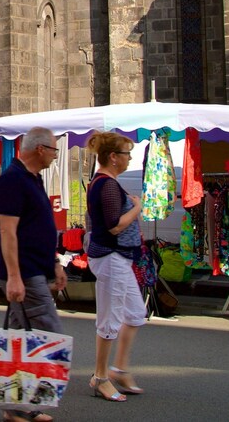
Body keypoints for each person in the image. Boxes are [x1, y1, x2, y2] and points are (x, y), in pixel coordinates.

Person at [0, 126, 66, 422]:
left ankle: (18, 406)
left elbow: (39, 227)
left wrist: (55, 262)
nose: (54, 156)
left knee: (19, 338)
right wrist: (14, 277)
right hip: (24, 272)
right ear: (39, 149)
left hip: (35, 269)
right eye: (53, 150)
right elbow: (7, 232)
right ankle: (19, 406)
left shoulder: (33, 179)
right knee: (49, 334)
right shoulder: (12, 180)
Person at [85, 131, 146, 402]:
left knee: (134, 313)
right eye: (126, 154)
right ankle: (100, 377)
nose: (129, 158)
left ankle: (119, 369)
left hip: (119, 257)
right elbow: (114, 225)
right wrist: (137, 207)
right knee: (109, 319)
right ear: (113, 157)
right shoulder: (106, 185)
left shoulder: (108, 183)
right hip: (111, 257)